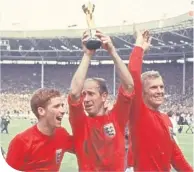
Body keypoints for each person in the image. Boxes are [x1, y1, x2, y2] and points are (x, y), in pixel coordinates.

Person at [126, 28, 193, 171]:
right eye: (154, 88)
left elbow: (175, 155)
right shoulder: (139, 113)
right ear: (142, 92)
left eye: (161, 87)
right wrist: (139, 48)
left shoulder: (165, 119)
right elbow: (133, 74)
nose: (160, 91)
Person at [68, 30, 134, 171]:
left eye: (91, 94)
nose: (85, 99)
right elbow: (74, 93)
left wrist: (112, 51)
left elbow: (129, 86)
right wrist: (87, 55)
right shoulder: (80, 123)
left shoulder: (117, 117)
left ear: (104, 96)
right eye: (84, 94)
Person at [6, 88, 74, 171]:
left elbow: (86, 149)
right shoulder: (21, 141)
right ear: (41, 111)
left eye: (62, 105)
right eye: (56, 106)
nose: (63, 110)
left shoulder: (62, 134)